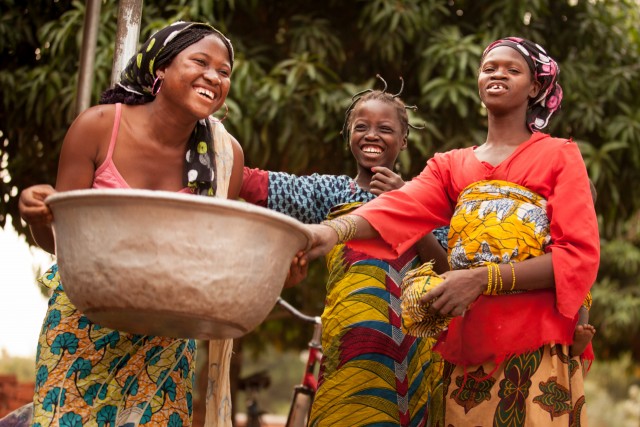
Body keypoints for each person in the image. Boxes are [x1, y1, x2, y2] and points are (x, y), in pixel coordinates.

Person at [299, 37, 599, 426]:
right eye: (489, 67)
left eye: (512, 70)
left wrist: (481, 278)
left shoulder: (560, 155)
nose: (498, 74)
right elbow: (400, 207)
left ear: (536, 88)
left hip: (536, 349)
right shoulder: (451, 165)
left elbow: (578, 256)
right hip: (464, 358)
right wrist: (332, 232)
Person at [17, 21, 243, 427]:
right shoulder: (100, 127)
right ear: (160, 69)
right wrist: (38, 214)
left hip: (165, 343)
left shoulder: (226, 157)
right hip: (83, 327)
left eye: (224, 72)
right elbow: (60, 244)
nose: (214, 76)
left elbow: (212, 261)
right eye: (200, 62)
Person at [240, 77, 450, 426]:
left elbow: (448, 272)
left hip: (418, 357)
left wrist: (406, 203)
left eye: (384, 128)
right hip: (351, 348)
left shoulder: (428, 198)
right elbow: (259, 185)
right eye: (361, 127)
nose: (371, 135)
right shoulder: (332, 192)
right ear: (348, 134)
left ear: (403, 139)